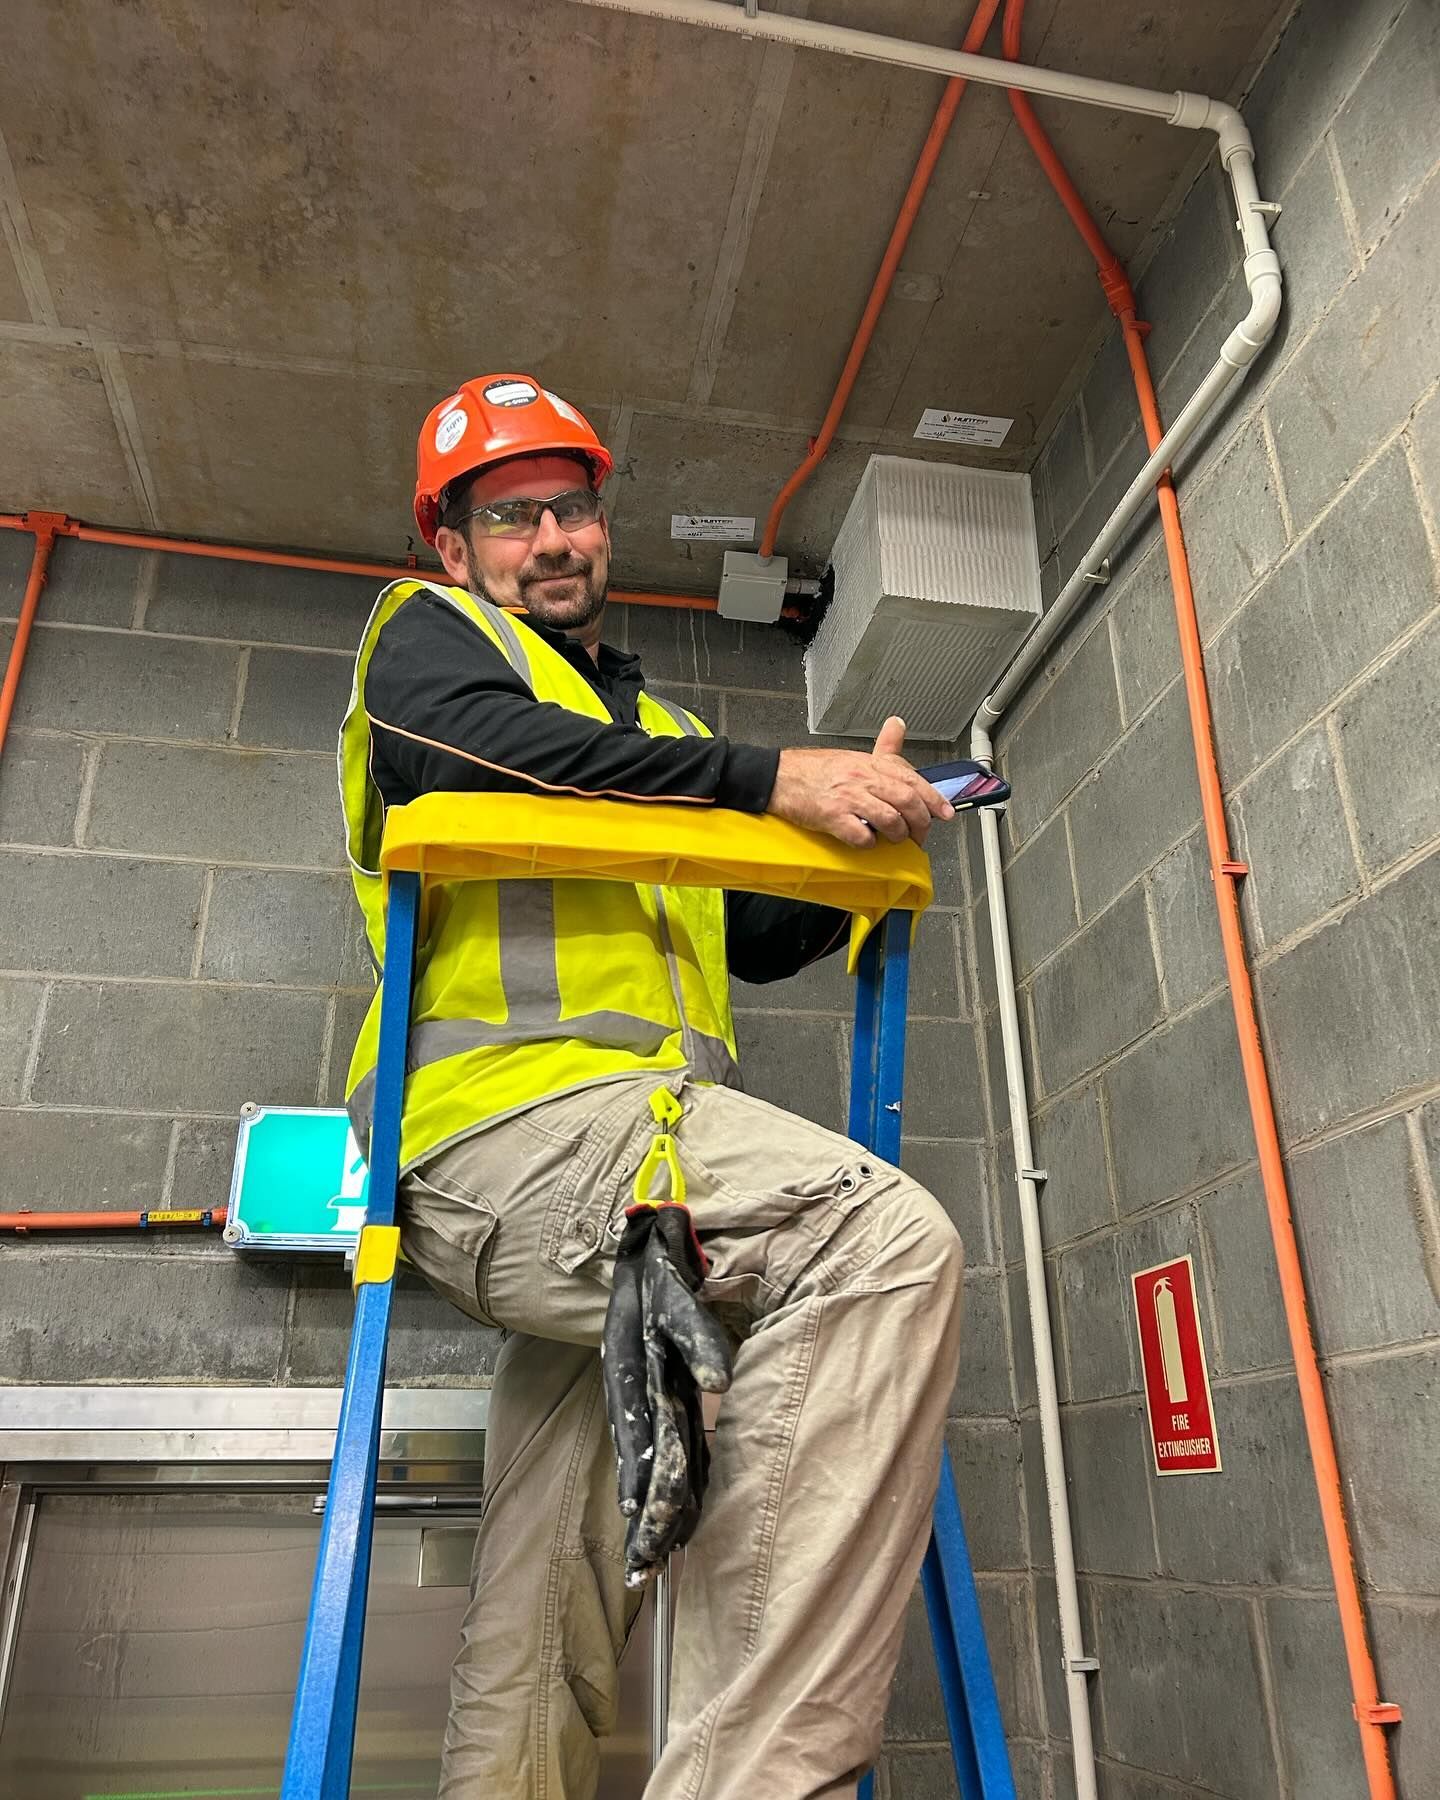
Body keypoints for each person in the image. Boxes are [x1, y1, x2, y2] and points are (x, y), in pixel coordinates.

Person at [337, 374, 966, 1799]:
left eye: (571, 508)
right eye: (513, 517)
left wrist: (858, 844)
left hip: (629, 1177)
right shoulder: (431, 638)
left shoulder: (654, 733)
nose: (553, 538)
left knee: (544, 1594)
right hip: (514, 1134)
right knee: (876, 1241)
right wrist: (762, 779)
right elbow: (458, 748)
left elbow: (754, 933)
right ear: (452, 545)